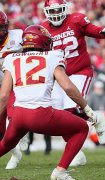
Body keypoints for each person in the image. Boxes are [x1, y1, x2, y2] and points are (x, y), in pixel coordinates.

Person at [0, 24, 105, 179]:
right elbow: (68, 87)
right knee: (82, 128)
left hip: (18, 115)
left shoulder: (11, 58)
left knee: (6, 144)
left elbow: (4, 95)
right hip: (40, 114)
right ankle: (60, 171)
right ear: (44, 42)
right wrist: (86, 107)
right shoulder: (52, 56)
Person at [41, 0, 105, 166]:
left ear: (65, 9)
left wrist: (103, 32)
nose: (55, 15)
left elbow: (92, 30)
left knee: (69, 108)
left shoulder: (76, 19)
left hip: (79, 71)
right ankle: (77, 150)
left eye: (58, 10)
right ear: (46, 12)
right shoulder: (43, 28)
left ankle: (95, 118)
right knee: (56, 115)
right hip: (58, 76)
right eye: (51, 11)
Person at [0, 10, 29, 170]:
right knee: (0, 131)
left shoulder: (18, 35)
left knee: (14, 116)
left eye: (1, 28)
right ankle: (15, 153)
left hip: (16, 84)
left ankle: (22, 134)